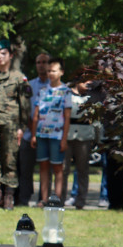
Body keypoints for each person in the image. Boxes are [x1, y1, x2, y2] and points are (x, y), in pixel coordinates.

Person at [0, 40, 30, 210]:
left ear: (10, 55)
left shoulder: (19, 78)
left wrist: (22, 127)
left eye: (3, 53)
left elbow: (25, 104)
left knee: (10, 161)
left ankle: (9, 196)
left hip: (11, 126)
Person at [31, 57, 72, 204]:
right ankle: (43, 199)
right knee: (43, 167)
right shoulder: (42, 91)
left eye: (53, 71)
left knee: (58, 168)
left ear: (61, 72)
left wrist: (64, 139)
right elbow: (36, 115)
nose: (50, 73)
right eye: (49, 71)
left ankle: (57, 199)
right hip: (42, 134)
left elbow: (67, 117)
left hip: (57, 135)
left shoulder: (66, 91)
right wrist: (34, 135)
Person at [17, 52, 51, 205]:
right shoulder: (29, 85)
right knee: (25, 170)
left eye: (44, 62)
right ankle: (24, 200)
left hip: (48, 134)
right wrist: (33, 131)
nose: (41, 65)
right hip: (29, 133)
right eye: (38, 62)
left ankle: (43, 200)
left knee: (46, 169)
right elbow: (25, 110)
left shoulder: (55, 86)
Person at [63, 79, 97, 210]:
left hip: (84, 137)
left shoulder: (92, 97)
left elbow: (95, 120)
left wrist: (96, 138)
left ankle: (81, 200)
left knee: (83, 170)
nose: (87, 84)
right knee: (64, 169)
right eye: (85, 81)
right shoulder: (67, 94)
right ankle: (60, 199)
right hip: (68, 135)